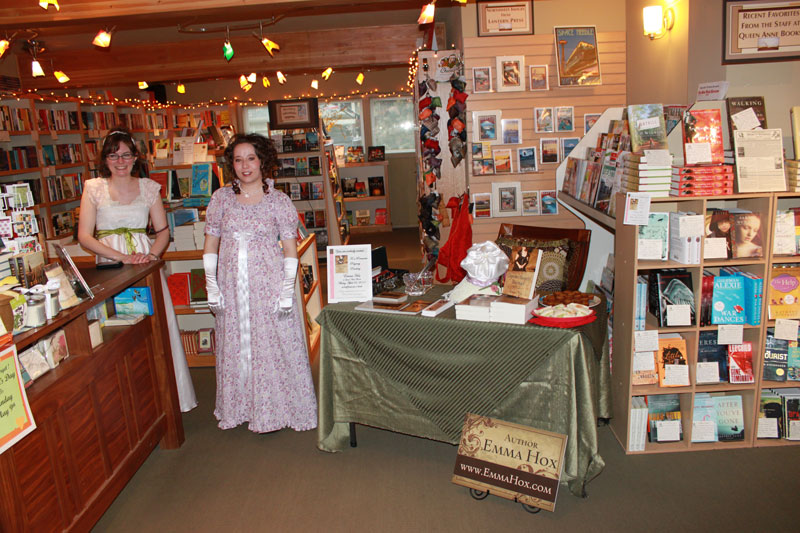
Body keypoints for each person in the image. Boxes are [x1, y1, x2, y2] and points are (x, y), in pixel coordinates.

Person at [202, 133, 317, 433]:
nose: (245, 166)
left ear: (263, 161)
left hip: (268, 283)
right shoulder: (221, 199)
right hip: (231, 285)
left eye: (251, 158)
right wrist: (211, 285)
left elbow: (290, 251)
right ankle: (241, 407)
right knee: (235, 344)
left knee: (274, 344)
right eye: (238, 160)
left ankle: (279, 408)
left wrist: (286, 291)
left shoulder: (278, 201)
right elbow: (210, 244)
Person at [77, 128, 197, 412]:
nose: (120, 161)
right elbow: (85, 236)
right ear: (104, 159)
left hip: (145, 264)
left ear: (135, 157)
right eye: (113, 155)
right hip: (110, 265)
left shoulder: (148, 187)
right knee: (118, 333)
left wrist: (149, 257)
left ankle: (166, 398)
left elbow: (163, 232)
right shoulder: (93, 188)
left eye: (126, 154)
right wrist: (122, 257)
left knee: (155, 327)